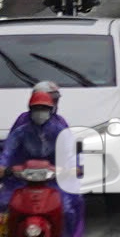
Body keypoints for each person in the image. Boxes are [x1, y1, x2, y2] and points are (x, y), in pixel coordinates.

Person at [0, 85, 83, 237]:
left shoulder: (59, 129)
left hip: (53, 179)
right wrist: (3, 166)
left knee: (68, 209)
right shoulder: (22, 130)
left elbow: (70, 151)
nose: (40, 113)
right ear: (30, 109)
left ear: (50, 110)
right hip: (22, 178)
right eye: (36, 109)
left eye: (44, 109)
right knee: (4, 205)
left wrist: (73, 168)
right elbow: (8, 150)